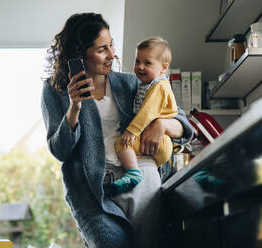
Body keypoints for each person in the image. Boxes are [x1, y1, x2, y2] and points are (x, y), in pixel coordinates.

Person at [41, 13, 194, 248]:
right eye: (102, 49)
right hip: (91, 191)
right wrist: (74, 107)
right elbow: (60, 150)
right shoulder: (55, 92)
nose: (112, 54)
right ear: (79, 54)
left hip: (141, 178)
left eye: (111, 44)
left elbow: (184, 125)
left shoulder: (132, 83)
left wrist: (160, 124)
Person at [111, 37, 178, 195]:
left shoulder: (160, 86)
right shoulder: (147, 85)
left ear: (163, 68)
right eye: (137, 61)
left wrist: (131, 131)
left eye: (147, 63)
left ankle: (133, 173)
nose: (140, 67)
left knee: (122, 143)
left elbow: (147, 112)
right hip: (156, 141)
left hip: (160, 141)